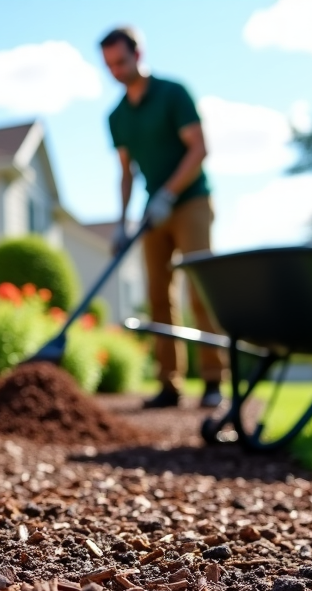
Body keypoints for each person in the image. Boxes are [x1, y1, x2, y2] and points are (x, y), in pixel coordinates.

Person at [101, 26, 227, 409]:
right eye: (109, 66)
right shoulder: (117, 116)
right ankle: (169, 384)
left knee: (200, 287)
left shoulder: (173, 93)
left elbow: (199, 148)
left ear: (139, 55)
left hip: (190, 201)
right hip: (152, 211)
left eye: (121, 62)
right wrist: (122, 223)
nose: (117, 71)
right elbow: (127, 173)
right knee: (158, 294)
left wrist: (169, 194)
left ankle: (212, 380)